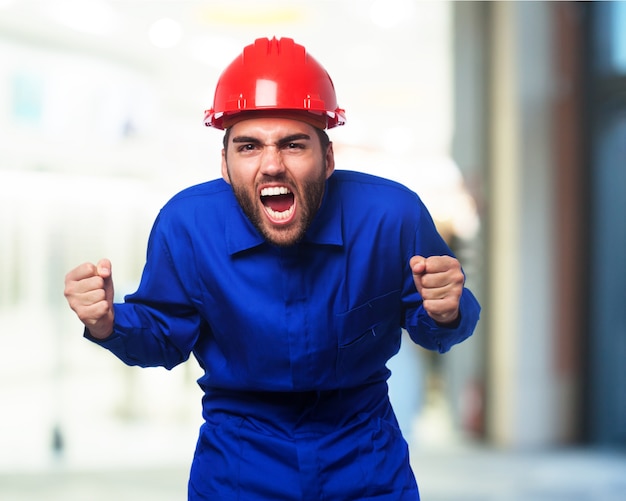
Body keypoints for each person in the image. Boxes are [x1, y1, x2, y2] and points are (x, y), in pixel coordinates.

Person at [64, 37, 480, 500]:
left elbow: (436, 326)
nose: (272, 165)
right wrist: (108, 323)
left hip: (366, 465)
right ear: (224, 164)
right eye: (248, 146)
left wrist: (446, 311)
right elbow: (164, 336)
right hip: (239, 469)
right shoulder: (187, 226)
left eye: (293, 144)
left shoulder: (391, 216)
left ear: (328, 159)